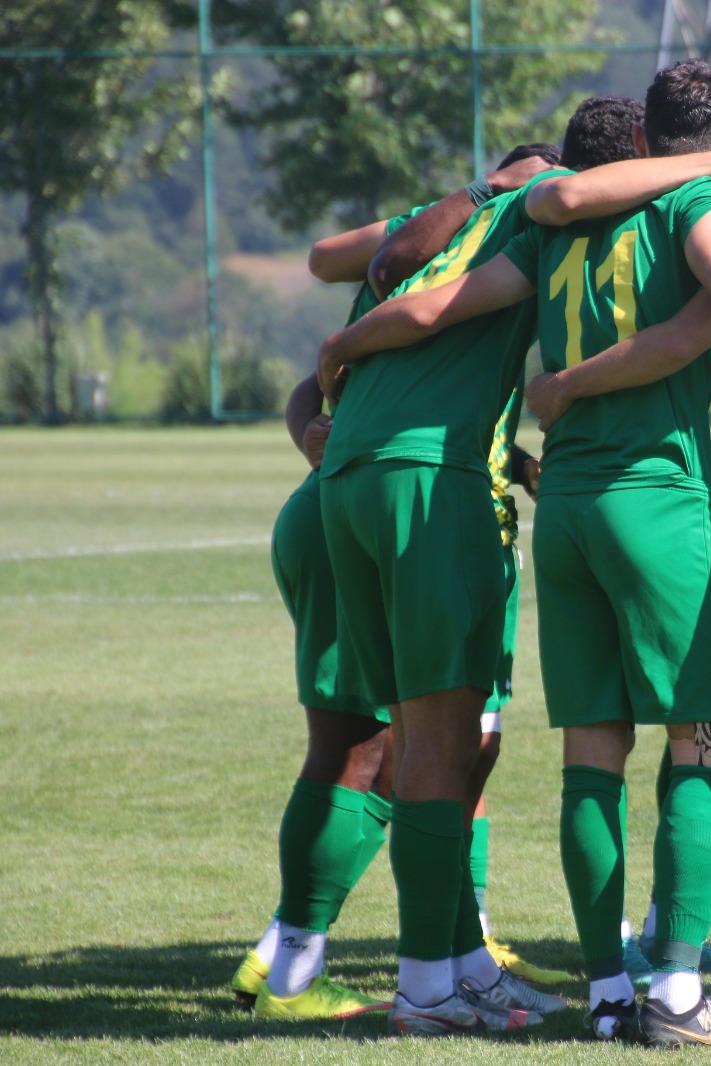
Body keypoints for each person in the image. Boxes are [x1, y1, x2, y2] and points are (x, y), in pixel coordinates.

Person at [312, 96, 711, 1036]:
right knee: (707, 739)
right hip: (650, 501)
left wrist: (343, 345)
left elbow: (421, 295)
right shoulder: (687, 211)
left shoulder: (538, 234)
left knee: (583, 756)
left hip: (556, 507)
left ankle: (602, 993)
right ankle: (676, 990)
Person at [232, 144, 559, 1021]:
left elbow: (332, 345)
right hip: (416, 506)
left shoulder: (434, 241)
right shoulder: (487, 242)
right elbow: (349, 318)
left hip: (353, 496)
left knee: (429, 744)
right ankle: (321, 963)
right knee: (400, 747)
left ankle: (432, 952)